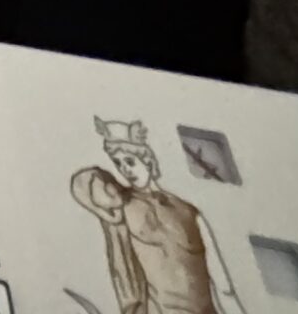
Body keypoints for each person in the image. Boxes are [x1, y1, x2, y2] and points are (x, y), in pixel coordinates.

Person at [70, 120, 247, 314]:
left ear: (147, 159)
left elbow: (223, 285)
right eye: (118, 164)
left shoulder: (188, 211)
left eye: (130, 161)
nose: (125, 170)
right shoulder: (122, 212)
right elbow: (125, 278)